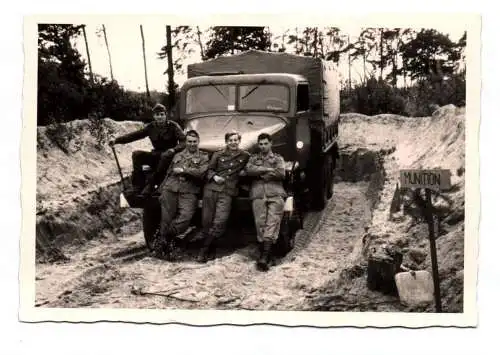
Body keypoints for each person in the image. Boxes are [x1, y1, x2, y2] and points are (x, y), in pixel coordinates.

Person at [153, 130, 209, 260]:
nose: (192, 144)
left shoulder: (204, 157)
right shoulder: (178, 155)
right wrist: (161, 190)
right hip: (170, 189)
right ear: (186, 142)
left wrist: (184, 171)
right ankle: (164, 250)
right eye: (189, 141)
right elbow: (168, 173)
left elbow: (201, 173)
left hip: (189, 191)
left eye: (194, 142)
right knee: (166, 219)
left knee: (185, 218)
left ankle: (166, 236)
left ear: (199, 142)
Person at [197, 131, 250, 263]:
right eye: (231, 140)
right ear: (226, 142)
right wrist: (214, 177)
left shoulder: (245, 156)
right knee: (206, 221)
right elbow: (208, 170)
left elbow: (251, 167)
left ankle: (203, 250)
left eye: (236, 140)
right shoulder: (218, 154)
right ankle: (211, 249)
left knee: (220, 221)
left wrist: (245, 172)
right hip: (211, 189)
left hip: (227, 191)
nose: (233, 142)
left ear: (239, 141)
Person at [109, 103, 186, 195]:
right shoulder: (151, 127)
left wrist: (174, 149)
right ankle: (138, 186)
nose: (160, 117)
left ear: (166, 115)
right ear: (154, 116)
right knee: (137, 154)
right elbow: (135, 135)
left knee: (165, 155)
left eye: (162, 114)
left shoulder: (173, 126)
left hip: (170, 157)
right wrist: (117, 140)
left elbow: (184, 141)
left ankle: (152, 184)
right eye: (157, 115)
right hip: (156, 155)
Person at [245, 133, 287, 271]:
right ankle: (267, 254)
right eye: (261, 144)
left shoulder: (278, 158)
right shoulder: (253, 158)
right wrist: (267, 169)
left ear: (271, 144)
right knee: (260, 223)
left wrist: (260, 174)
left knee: (273, 222)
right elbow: (248, 170)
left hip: (275, 193)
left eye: (265, 143)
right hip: (258, 194)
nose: (263, 146)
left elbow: (281, 173)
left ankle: (264, 256)